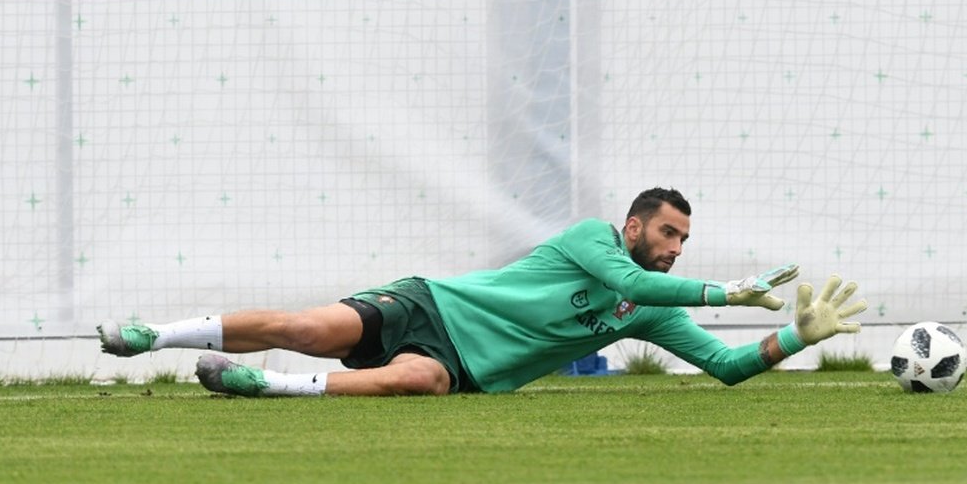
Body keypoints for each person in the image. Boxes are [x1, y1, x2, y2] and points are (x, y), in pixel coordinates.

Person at [97, 187, 867, 397]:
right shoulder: (593, 240)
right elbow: (625, 278)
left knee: (422, 380)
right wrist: (727, 286)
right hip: (433, 303)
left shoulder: (652, 305)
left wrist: (802, 334)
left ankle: (261, 388)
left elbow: (726, 367)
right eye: (668, 233)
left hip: (463, 365)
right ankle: (153, 336)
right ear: (633, 224)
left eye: (684, 242)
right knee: (304, 323)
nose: (673, 248)